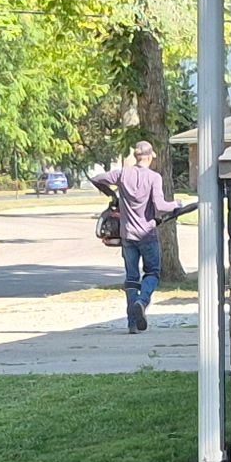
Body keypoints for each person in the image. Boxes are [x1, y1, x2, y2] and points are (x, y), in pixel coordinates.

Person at [87, 138, 188, 333]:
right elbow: (160, 206)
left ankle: (132, 323)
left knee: (131, 278)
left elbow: (97, 178)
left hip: (128, 236)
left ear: (136, 156)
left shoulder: (123, 174)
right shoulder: (154, 177)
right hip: (148, 234)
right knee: (152, 273)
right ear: (150, 157)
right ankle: (142, 302)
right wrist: (177, 204)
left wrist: (113, 195)